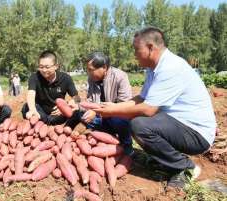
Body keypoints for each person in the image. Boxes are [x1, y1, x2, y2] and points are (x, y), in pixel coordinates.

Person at [93, 27, 216, 188]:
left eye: (137, 50)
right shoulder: (154, 69)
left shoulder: (170, 67)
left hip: (196, 134)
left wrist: (112, 111)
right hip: (179, 125)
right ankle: (166, 160)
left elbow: (148, 109)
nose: (135, 54)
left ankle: (186, 168)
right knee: (136, 119)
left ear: (151, 48)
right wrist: (114, 106)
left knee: (139, 124)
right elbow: (141, 99)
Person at [81, 51, 134, 155]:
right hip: (100, 116)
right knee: (81, 115)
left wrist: (96, 111)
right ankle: (102, 140)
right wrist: (88, 109)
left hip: (116, 114)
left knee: (120, 120)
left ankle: (127, 146)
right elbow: (91, 100)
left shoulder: (120, 76)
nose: (89, 73)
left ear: (104, 67)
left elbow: (124, 104)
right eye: (88, 70)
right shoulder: (91, 78)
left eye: (91, 70)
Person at [21, 50, 80, 127]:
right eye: (41, 67)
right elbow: (31, 93)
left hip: (57, 115)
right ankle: (40, 124)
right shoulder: (34, 77)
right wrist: (32, 110)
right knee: (26, 107)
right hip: (39, 113)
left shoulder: (66, 78)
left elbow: (77, 98)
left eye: (47, 67)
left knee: (77, 110)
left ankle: (63, 128)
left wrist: (65, 106)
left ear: (56, 66)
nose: (44, 70)